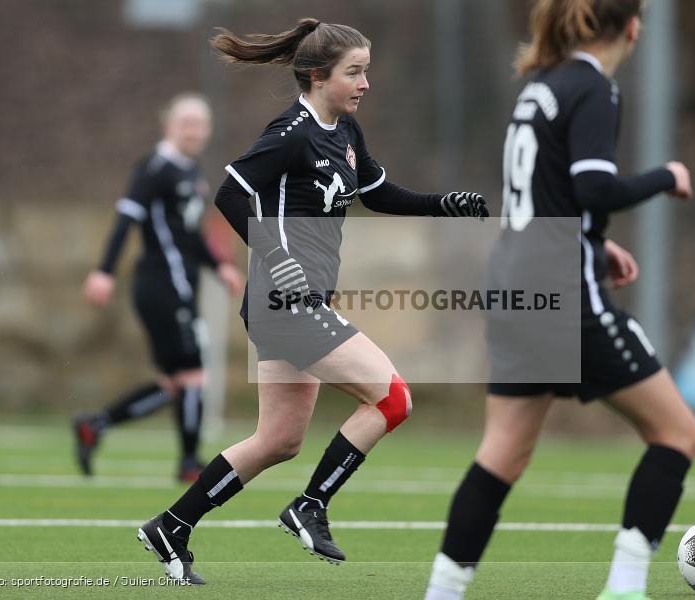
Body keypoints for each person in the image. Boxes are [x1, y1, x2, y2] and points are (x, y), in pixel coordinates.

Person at [135, 18, 488, 584]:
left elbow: (380, 194)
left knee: (278, 440)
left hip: (298, 303)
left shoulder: (345, 133)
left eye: (366, 71)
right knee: (393, 398)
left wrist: (446, 204)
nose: (365, 83)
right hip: (285, 303)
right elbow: (231, 193)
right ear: (318, 76)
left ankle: (172, 525)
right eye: (354, 72)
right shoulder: (292, 130)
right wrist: (275, 257)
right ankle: (311, 505)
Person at [424, 1, 695, 599]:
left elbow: (543, 195)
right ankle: (625, 589)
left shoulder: (541, 87)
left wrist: (596, 244)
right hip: (561, 293)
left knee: (501, 453)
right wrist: (666, 176)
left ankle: (441, 594)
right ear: (631, 27)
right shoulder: (594, 89)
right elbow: (592, 186)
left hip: (514, 278)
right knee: (678, 433)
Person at [75, 93, 245, 482]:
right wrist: (104, 270)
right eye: (186, 123)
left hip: (176, 282)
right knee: (193, 376)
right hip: (161, 285)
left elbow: (188, 234)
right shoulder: (154, 168)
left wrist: (219, 264)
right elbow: (125, 219)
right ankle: (189, 463)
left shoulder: (189, 171)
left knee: (174, 383)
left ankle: (95, 426)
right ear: (169, 125)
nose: (194, 131)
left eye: (201, 124)